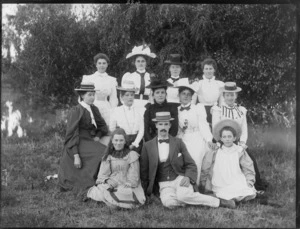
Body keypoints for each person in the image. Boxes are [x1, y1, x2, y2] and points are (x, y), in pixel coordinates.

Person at [140, 111, 236, 209]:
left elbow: (190, 164)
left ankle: (219, 202)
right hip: (164, 184)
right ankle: (190, 200)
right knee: (169, 204)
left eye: (166, 124)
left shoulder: (178, 142)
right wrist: (145, 192)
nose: (163, 127)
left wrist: (188, 177)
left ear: (170, 125)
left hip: (180, 178)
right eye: (160, 124)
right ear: (156, 125)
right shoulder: (148, 146)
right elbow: (144, 172)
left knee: (183, 195)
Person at [211, 82, 268, 191]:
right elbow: (216, 128)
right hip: (223, 141)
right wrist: (220, 142)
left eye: (232, 95)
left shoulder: (241, 110)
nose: (230, 97)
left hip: (237, 141)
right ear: (223, 96)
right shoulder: (217, 110)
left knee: (250, 159)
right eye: (227, 95)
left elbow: (244, 129)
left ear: (236, 96)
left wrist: (242, 143)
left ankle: (254, 184)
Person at [58, 82, 108, 193]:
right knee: (99, 153)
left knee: (105, 152)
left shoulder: (94, 109)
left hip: (90, 139)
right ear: (82, 96)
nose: (92, 97)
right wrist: (76, 155)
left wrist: (98, 136)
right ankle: (88, 182)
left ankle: (100, 180)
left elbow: (102, 126)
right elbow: (72, 133)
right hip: (78, 141)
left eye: (93, 95)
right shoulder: (76, 110)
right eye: (89, 95)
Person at [86, 128, 146, 209]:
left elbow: (134, 176)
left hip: (126, 185)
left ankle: (112, 202)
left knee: (124, 192)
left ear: (125, 141)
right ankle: (113, 202)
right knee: (99, 190)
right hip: (111, 183)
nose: (118, 143)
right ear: (112, 141)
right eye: (116, 140)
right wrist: (107, 180)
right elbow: (102, 175)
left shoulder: (132, 155)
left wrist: (129, 183)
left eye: (121, 140)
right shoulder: (108, 156)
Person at [200, 119, 257, 203]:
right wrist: (204, 182)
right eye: (224, 137)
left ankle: (234, 198)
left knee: (244, 190)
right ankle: (228, 200)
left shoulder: (239, 151)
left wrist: (250, 181)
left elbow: (248, 166)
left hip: (235, 178)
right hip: (220, 179)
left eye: (229, 137)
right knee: (221, 192)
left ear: (234, 138)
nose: (227, 139)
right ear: (221, 139)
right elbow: (206, 166)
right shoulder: (215, 151)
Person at [176, 83, 215, 185]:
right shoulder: (176, 110)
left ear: (192, 97)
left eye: (188, 94)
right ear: (179, 96)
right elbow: (178, 129)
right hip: (183, 137)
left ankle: (195, 185)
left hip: (196, 136)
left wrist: (209, 139)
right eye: (183, 94)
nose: (185, 96)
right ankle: (181, 184)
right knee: (179, 157)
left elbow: (203, 124)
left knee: (195, 157)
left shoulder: (198, 108)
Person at [82, 53, 118, 127]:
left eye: (104, 63)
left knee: (106, 128)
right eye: (99, 63)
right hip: (92, 105)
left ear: (107, 65)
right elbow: (82, 95)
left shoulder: (111, 80)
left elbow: (113, 98)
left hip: (106, 107)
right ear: (96, 65)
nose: (102, 65)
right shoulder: (88, 78)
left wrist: (113, 111)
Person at [109, 80, 144, 154]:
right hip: (121, 142)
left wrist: (135, 143)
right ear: (122, 97)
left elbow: (141, 130)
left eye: (132, 95)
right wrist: (120, 141)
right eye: (127, 95)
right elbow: (112, 129)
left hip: (137, 142)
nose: (130, 97)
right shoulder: (116, 110)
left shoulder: (139, 110)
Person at [121, 44, 156, 114]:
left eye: (143, 61)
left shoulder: (151, 77)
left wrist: (152, 104)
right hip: (133, 103)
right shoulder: (129, 76)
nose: (140, 63)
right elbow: (124, 94)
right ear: (134, 63)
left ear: (146, 63)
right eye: (138, 61)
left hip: (147, 104)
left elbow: (153, 94)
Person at [143, 77, 178, 142]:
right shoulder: (149, 109)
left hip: (169, 140)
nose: (160, 95)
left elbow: (174, 129)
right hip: (153, 140)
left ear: (166, 94)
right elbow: (146, 130)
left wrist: (168, 141)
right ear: (153, 95)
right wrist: (152, 143)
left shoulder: (172, 108)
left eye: (162, 92)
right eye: (157, 93)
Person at [192, 58, 225, 126]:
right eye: (206, 69)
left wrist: (222, 114)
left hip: (215, 111)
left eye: (210, 68)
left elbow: (222, 101)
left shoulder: (220, 84)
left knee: (215, 132)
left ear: (214, 70)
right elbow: (193, 101)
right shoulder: (198, 83)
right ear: (203, 70)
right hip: (201, 111)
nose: (208, 71)